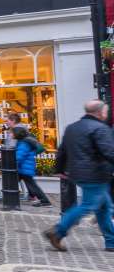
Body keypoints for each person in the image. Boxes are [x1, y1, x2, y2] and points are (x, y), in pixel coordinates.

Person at [45, 99, 114, 252]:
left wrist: (59, 170)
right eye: (106, 112)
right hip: (96, 174)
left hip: (78, 173)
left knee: (104, 207)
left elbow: (62, 150)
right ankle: (58, 231)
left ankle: (111, 242)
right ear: (100, 112)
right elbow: (109, 152)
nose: (106, 114)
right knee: (88, 205)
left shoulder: (72, 128)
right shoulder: (100, 128)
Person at [13, 126, 51, 207]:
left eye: (13, 133)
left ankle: (45, 201)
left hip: (24, 168)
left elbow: (19, 156)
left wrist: (13, 162)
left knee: (32, 186)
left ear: (17, 134)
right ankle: (8, 196)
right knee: (21, 183)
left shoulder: (23, 143)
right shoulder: (23, 142)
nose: (11, 134)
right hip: (23, 168)